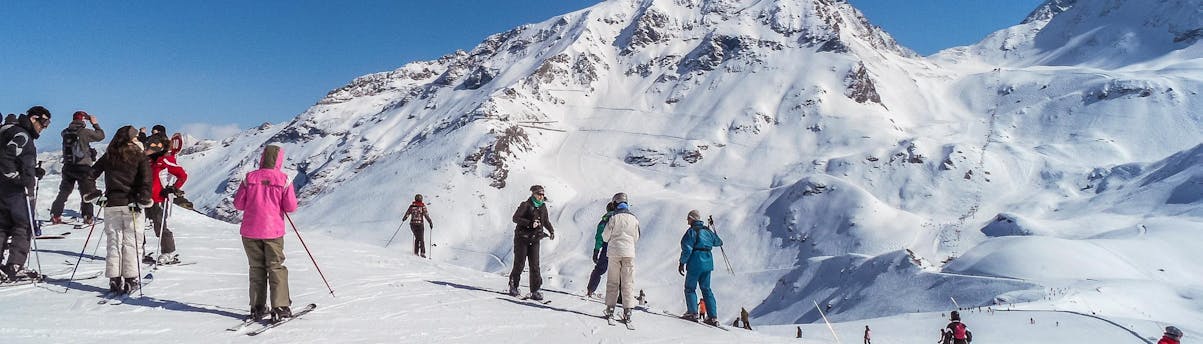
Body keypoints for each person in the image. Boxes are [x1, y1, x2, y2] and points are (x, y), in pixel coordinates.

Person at [232, 144, 298, 322]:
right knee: (276, 267)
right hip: (273, 231)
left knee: (256, 268)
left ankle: (257, 307)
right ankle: (280, 307)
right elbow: (291, 207)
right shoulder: (284, 180)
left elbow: (238, 204)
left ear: (262, 158)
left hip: (250, 231)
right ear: (279, 160)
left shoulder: (249, 178)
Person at [86, 125, 152, 294]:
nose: (138, 140)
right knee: (132, 242)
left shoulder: (109, 155)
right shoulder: (139, 155)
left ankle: (114, 279)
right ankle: (131, 279)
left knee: (114, 242)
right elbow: (146, 181)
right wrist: (143, 200)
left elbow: (89, 175)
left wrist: (94, 195)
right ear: (130, 139)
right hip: (132, 204)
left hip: (111, 204)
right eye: (136, 137)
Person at [0, 107, 51, 281]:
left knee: (3, 226)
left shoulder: (10, 132)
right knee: (23, 225)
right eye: (43, 123)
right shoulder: (22, 135)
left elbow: (14, 160)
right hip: (16, 192)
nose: (43, 128)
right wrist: (18, 178)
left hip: (4, 189)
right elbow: (6, 158)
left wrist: (32, 171)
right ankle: (15, 266)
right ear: (33, 118)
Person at [50, 111, 104, 225]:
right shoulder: (84, 132)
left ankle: (55, 214)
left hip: (68, 166)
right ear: (83, 120)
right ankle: (87, 216)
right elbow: (100, 136)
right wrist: (95, 124)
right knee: (86, 193)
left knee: (64, 192)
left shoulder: (65, 132)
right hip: (83, 167)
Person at [144, 129, 187, 265]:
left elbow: (182, 175)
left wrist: (173, 188)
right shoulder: (145, 161)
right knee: (138, 227)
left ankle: (168, 253)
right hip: (142, 199)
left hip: (159, 199)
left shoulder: (165, 161)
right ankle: (139, 251)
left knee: (160, 226)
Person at [508, 185, 555, 299]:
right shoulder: (526, 205)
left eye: (542, 194)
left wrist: (551, 230)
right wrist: (529, 223)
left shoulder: (543, 207)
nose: (541, 196)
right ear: (533, 194)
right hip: (522, 238)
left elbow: (545, 221)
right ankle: (513, 286)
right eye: (539, 194)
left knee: (535, 265)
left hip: (535, 239)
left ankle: (535, 291)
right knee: (519, 263)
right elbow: (515, 218)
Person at [678, 209, 724, 326]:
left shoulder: (692, 232)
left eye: (688, 218)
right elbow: (718, 242)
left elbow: (687, 249)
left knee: (690, 288)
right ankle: (713, 317)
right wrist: (713, 229)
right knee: (706, 289)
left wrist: (682, 262)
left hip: (695, 262)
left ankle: (693, 313)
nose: (687, 220)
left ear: (692, 219)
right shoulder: (707, 231)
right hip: (708, 262)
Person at [601, 193, 640, 323]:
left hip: (614, 252)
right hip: (629, 253)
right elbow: (636, 237)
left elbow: (605, 236)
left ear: (615, 203)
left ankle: (610, 309)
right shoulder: (634, 218)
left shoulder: (613, 217)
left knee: (613, 281)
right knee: (628, 282)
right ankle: (627, 311)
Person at [585, 201, 617, 298]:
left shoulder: (605, 219)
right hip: (620, 247)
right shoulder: (621, 218)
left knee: (599, 270)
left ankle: (590, 290)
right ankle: (620, 297)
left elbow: (599, 236)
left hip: (607, 247)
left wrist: (596, 251)